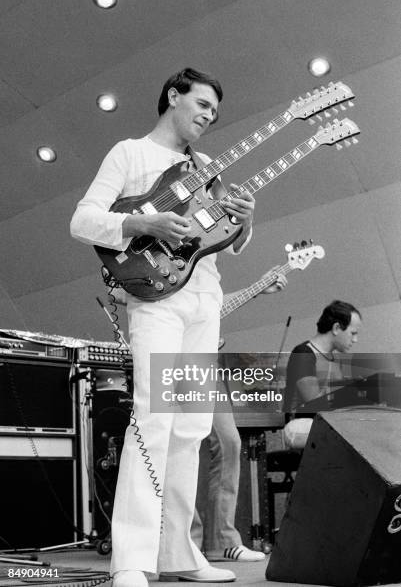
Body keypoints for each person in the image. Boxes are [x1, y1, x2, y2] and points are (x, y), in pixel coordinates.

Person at [70, 68, 255, 587]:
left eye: (214, 113)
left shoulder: (208, 167)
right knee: (153, 418)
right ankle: (130, 558)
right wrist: (142, 223)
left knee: (192, 427)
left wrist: (246, 220)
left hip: (204, 298)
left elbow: (220, 238)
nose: (207, 116)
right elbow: (82, 221)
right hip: (155, 301)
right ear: (172, 97)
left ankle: (179, 552)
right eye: (200, 104)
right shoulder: (128, 153)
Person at [191, 269, 287, 562]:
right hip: (177, 358)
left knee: (230, 442)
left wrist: (257, 288)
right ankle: (188, 544)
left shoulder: (205, 261)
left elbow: (213, 305)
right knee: (180, 450)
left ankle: (222, 541)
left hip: (205, 363)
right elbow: (119, 292)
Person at [283, 300, 362, 449]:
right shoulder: (304, 353)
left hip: (329, 423)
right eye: (353, 333)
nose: (355, 339)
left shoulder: (334, 358)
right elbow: (316, 403)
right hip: (301, 426)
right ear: (337, 328)